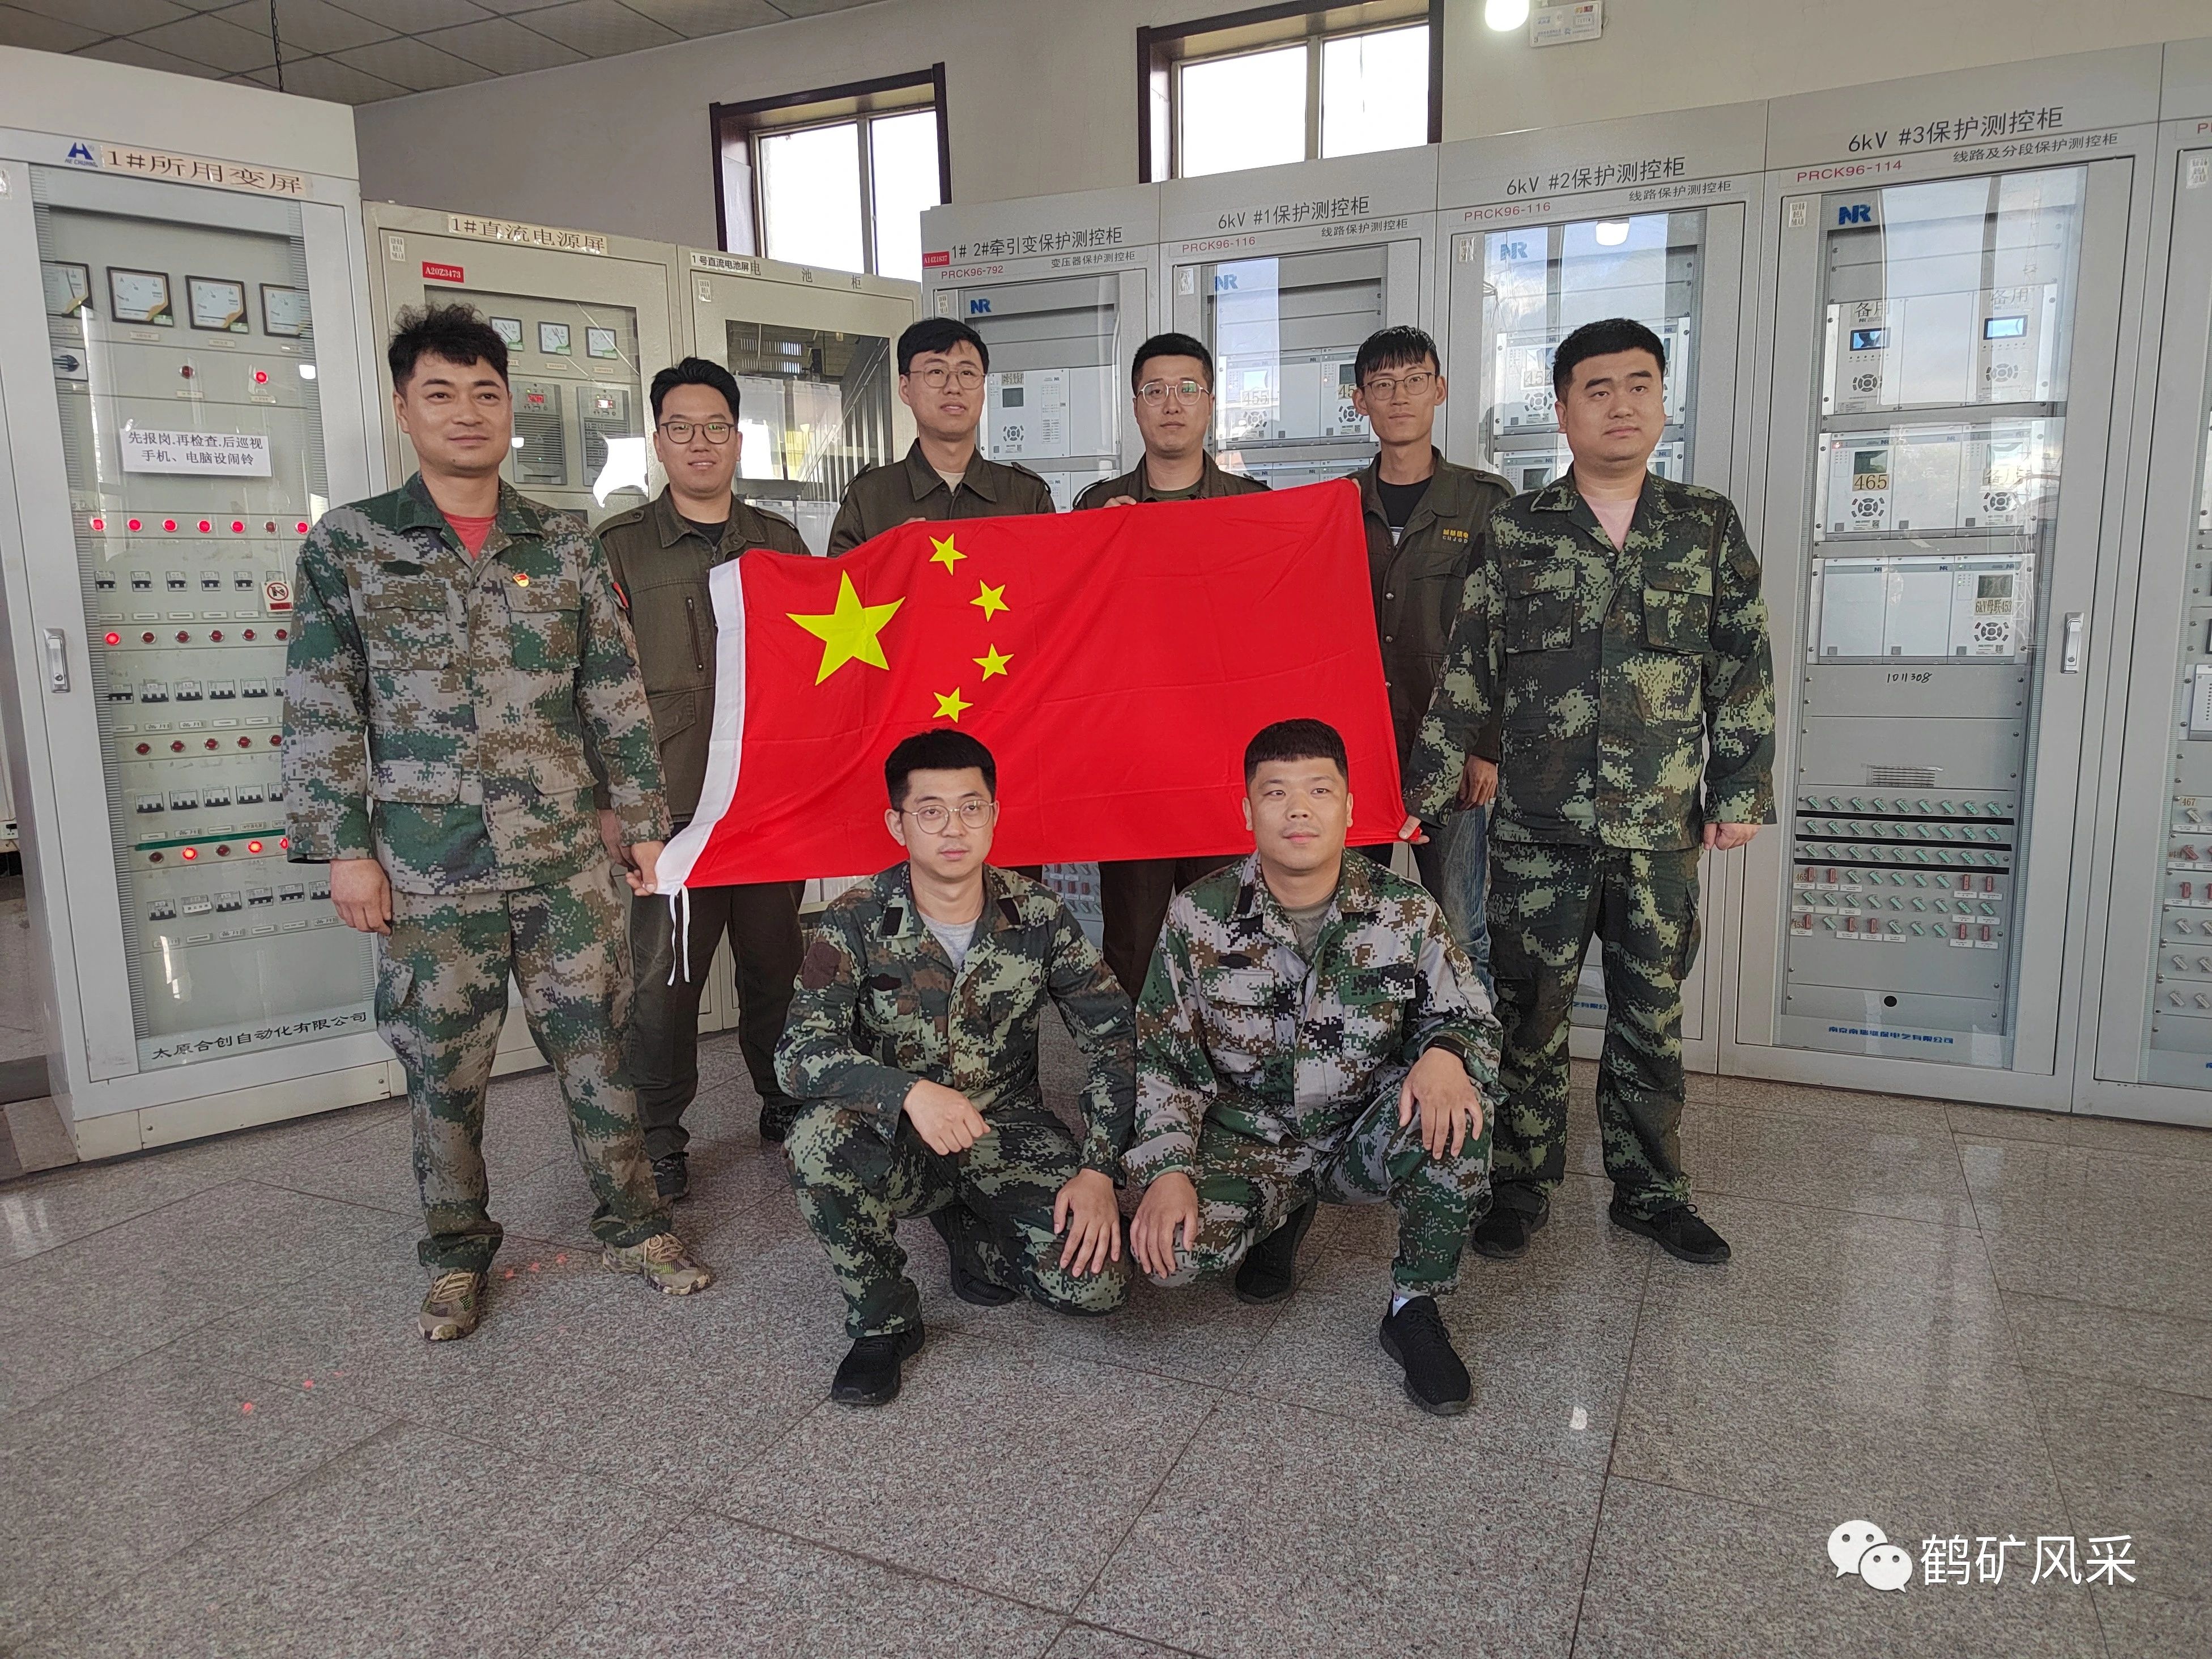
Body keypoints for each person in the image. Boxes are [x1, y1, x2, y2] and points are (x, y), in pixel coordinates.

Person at [284, 304, 712, 1341]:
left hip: (563, 862)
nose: (466, 412)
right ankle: (456, 1254)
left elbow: (612, 691)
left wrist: (641, 822)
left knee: (597, 1050)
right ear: (404, 409)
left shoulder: (561, 542)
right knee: (443, 1074)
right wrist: (346, 850)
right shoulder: (351, 545)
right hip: (428, 872)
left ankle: (637, 1225)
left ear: (510, 406)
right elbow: (322, 703)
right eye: (440, 393)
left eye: (485, 392)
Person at [1404, 316, 1775, 1267]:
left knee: (1650, 1018)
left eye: (1639, 385)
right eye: (1597, 389)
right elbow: (1468, 670)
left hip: (1659, 827)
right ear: (1563, 410)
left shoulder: (1703, 524)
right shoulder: (1518, 529)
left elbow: (1741, 664)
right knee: (1526, 1015)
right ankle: (1517, 1184)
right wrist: (1426, 787)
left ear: (1662, 402)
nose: (1620, 405)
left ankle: (1650, 1192)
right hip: (1538, 827)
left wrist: (1738, 787)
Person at [1127, 719, 1500, 1416]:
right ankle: (1281, 1212)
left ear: (1349, 808)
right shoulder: (1197, 918)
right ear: (1247, 811)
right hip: (1252, 1138)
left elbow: (1470, 1017)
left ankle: (1413, 1306)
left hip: (1361, 1127)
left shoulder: (1403, 911)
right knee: (1169, 1258)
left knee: (1460, 1115)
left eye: (1319, 791)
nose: (1298, 810)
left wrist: (1446, 1054)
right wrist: (1168, 1170)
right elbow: (1164, 1061)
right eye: (1276, 793)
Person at [776, 730, 1134, 1406]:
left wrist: (1097, 1170)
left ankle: (971, 1231)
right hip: (900, 1133)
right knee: (816, 1140)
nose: (953, 828)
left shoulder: (1039, 915)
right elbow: (797, 1055)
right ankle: (884, 1321)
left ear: (994, 815)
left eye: (971, 808)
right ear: (898, 824)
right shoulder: (853, 920)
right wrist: (908, 1092)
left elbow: (1113, 1038)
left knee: (1095, 1287)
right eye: (931, 811)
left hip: (1009, 1132)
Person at [593, 358, 809, 1192]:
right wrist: (612, 805)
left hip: (766, 804)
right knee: (666, 982)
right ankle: (659, 1135)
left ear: (737, 437)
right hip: (669, 807)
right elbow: (591, 684)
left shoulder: (779, 543)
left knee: (775, 967)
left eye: (715, 426)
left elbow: (817, 675)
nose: (700, 443)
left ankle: (786, 1102)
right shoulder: (620, 548)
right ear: (658, 441)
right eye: (680, 428)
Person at [1072, 330, 1269, 999]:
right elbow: (1070, 627)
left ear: (1210, 402)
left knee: (1230, 936)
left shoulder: (1252, 505)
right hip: (1134, 761)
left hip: (1224, 755)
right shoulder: (1096, 507)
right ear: (1135, 406)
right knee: (1132, 940)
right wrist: (1095, 545)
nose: (1171, 404)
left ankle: (1227, 1062)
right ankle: (1130, 1062)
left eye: (1188, 389)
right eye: (1154, 391)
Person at [1347, 326, 1512, 984]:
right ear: (1359, 400)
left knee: (1460, 929)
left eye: (1414, 381)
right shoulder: (1337, 506)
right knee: (1355, 926)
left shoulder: (1484, 502)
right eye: (1382, 385)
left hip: (1450, 749)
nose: (1399, 398)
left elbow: (1505, 631)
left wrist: (1486, 747)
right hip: (1359, 754)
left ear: (1438, 390)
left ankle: (1462, 1047)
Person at [826, 317, 1056, 556]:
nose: (953, 387)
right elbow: (839, 578)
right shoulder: (868, 498)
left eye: (967, 373)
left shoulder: (1027, 497)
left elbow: (1059, 576)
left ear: (983, 389)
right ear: (905, 388)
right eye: (936, 371)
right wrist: (889, 556)